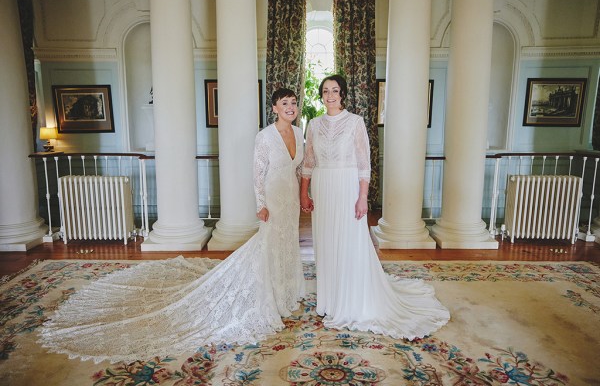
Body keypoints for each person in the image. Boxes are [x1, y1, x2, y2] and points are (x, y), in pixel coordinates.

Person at [40, 88, 306, 363]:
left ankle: (286, 289)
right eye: (284, 103)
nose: (290, 107)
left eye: (293, 103)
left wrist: (302, 195)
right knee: (270, 243)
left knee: (287, 243)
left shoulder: (299, 134)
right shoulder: (264, 137)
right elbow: (257, 173)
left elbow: (298, 170)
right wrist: (260, 204)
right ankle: (269, 292)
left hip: (291, 199)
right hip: (273, 200)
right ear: (274, 108)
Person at [300, 74, 450, 340]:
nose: (330, 95)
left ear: (343, 94)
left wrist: (362, 197)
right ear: (321, 95)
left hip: (347, 187)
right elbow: (309, 162)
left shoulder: (355, 122)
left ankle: (351, 299)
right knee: (327, 241)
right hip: (323, 187)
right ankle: (330, 300)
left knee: (348, 242)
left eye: (335, 90)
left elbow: (363, 164)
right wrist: (304, 192)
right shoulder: (313, 124)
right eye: (325, 91)